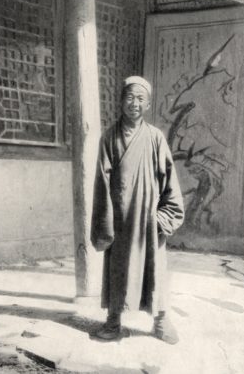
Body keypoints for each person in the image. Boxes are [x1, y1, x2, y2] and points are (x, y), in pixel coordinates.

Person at [91, 75, 184, 344]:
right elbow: (101, 183)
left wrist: (163, 217)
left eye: (140, 99)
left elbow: (170, 182)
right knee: (118, 269)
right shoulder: (109, 138)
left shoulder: (155, 138)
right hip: (119, 221)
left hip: (148, 221)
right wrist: (105, 222)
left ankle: (161, 320)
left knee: (155, 270)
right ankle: (113, 321)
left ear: (148, 104)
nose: (134, 103)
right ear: (121, 101)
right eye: (130, 97)